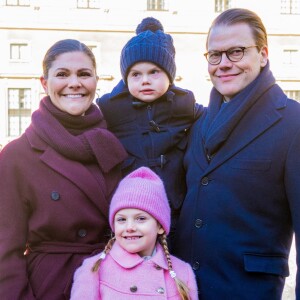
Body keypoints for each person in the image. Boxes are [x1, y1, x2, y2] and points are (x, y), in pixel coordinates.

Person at [173, 8, 300, 300]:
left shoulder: (294, 123)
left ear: (263, 55)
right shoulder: (199, 124)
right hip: (183, 291)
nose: (224, 64)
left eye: (237, 52)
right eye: (214, 55)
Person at [0, 39, 127, 299]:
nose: (74, 83)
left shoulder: (112, 145)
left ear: (95, 81)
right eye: (62, 74)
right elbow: (4, 251)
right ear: (44, 84)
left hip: (113, 283)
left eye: (84, 74)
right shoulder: (18, 155)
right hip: (50, 287)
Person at [97, 17, 202, 243]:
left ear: (170, 76)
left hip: (174, 211)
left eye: (154, 72)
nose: (145, 81)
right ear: (125, 79)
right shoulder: (110, 109)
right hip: (130, 214)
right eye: (136, 74)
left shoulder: (185, 105)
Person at [70, 166, 198, 299]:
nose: (129, 227)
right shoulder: (94, 269)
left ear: (160, 226)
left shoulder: (183, 272)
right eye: (121, 219)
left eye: (141, 218)